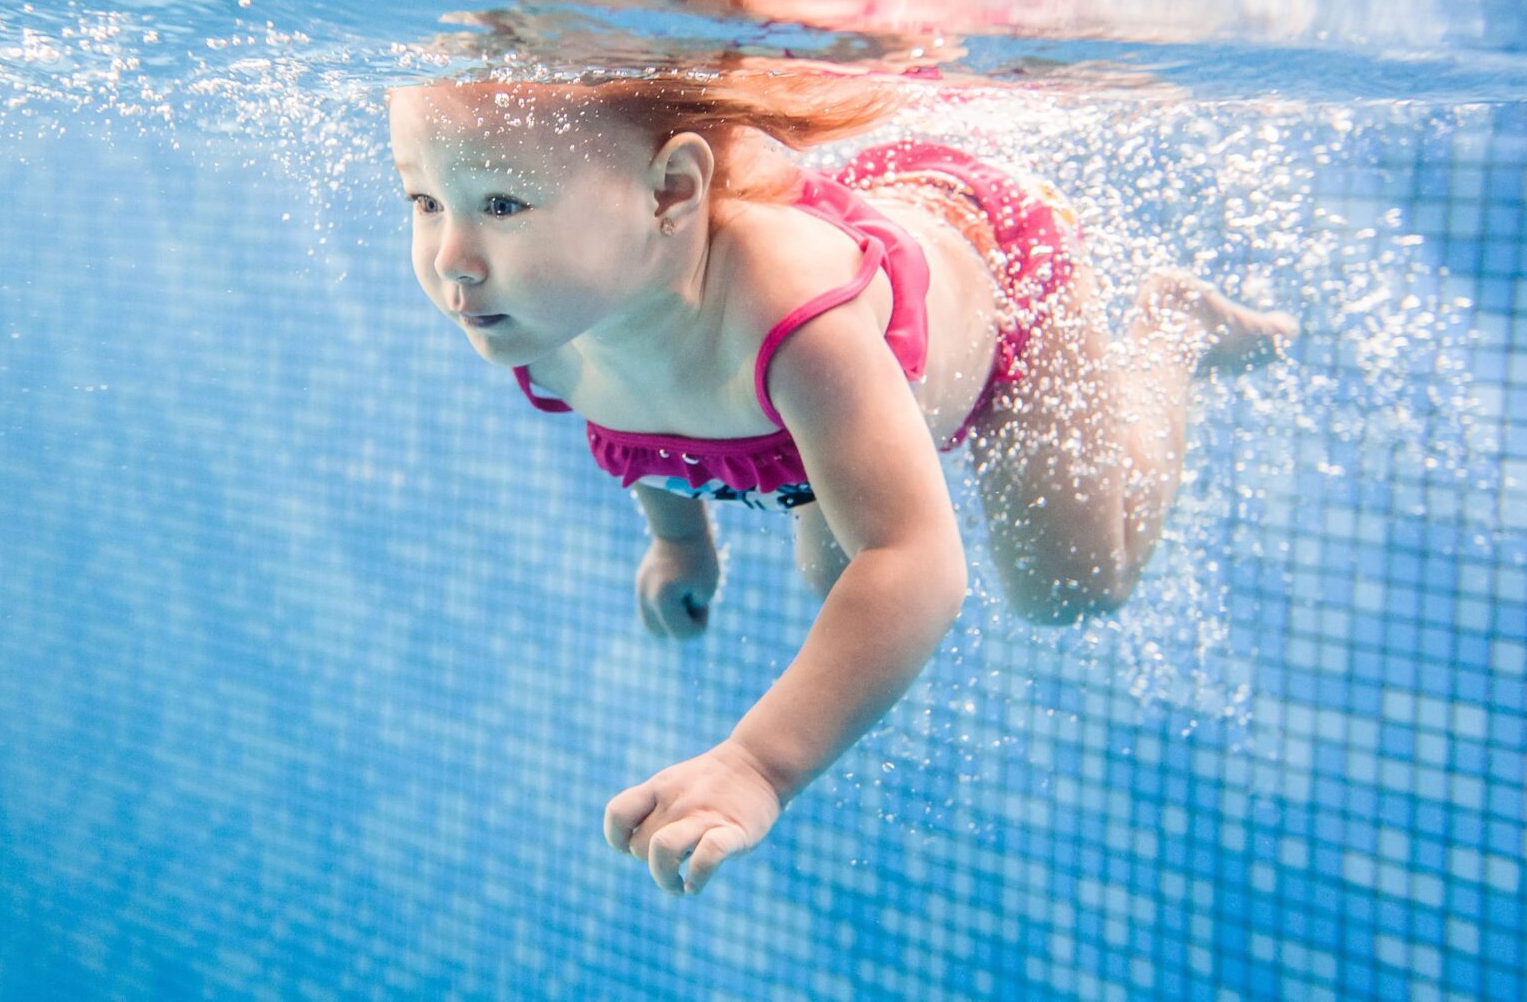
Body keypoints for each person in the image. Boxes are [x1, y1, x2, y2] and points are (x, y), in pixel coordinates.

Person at [386, 59, 1296, 899]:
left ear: (669, 192)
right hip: (863, 306)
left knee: (1066, 584)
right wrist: (679, 542)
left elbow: (918, 565)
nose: (451, 260)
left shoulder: (793, 322)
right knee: (832, 576)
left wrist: (757, 765)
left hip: (1000, 278)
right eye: (425, 200)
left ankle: (1173, 337)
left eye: (502, 205)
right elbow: (637, 419)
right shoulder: (547, 319)